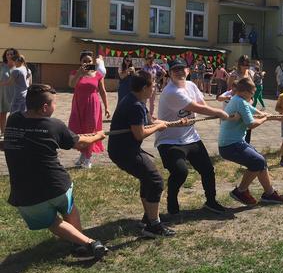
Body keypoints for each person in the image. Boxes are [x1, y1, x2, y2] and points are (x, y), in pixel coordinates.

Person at [3, 84, 108, 259]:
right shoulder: (54, 125)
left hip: (26, 196)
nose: (55, 107)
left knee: (52, 222)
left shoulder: (13, 119)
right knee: (69, 207)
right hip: (57, 186)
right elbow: (80, 143)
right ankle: (83, 245)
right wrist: (98, 135)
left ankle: (87, 244)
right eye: (54, 104)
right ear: (45, 108)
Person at [156, 58, 235, 215]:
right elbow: (195, 107)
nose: (179, 72)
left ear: (188, 70)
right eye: (175, 70)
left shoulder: (191, 86)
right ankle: (172, 203)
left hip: (191, 137)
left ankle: (211, 202)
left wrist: (219, 110)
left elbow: (202, 104)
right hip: (169, 140)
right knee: (180, 172)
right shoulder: (171, 91)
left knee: (207, 169)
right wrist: (219, 112)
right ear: (169, 73)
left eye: (182, 69)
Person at [109, 71, 178, 237]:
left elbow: (151, 122)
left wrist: (175, 123)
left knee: (148, 178)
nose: (154, 87)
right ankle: (153, 225)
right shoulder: (135, 106)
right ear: (145, 87)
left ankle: (148, 218)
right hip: (124, 152)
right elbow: (139, 134)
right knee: (156, 181)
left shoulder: (135, 100)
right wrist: (158, 128)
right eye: (153, 84)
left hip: (125, 149)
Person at [219, 78, 283, 206]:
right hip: (230, 146)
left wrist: (276, 117)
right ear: (245, 91)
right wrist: (265, 119)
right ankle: (240, 191)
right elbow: (251, 124)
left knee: (261, 161)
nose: (253, 96)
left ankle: (269, 193)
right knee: (258, 161)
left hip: (234, 143)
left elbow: (256, 111)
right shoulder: (241, 102)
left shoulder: (238, 99)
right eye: (252, 93)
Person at [68, 51, 110, 169]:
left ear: (93, 62)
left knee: (90, 130)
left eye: (89, 61)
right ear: (80, 62)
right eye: (84, 61)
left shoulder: (97, 75)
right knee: (78, 130)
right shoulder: (75, 73)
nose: (87, 63)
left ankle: (88, 158)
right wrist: (79, 74)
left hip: (93, 105)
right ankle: (83, 154)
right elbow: (71, 84)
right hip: (78, 104)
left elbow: (102, 91)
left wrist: (107, 107)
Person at [0, 48, 18, 136]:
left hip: (14, 93)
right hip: (2, 93)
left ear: (15, 55)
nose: (10, 56)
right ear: (5, 56)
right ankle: (3, 132)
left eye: (11, 54)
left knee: (14, 114)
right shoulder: (2, 66)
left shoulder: (18, 67)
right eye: (8, 54)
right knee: (2, 113)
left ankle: (13, 132)